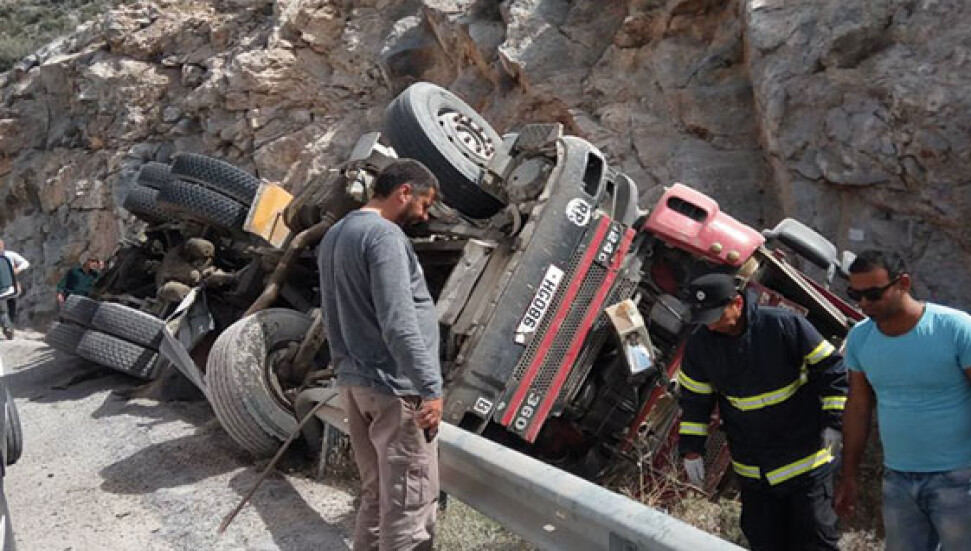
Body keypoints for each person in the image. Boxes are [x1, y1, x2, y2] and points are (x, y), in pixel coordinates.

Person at [318, 159, 443, 551]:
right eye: (425, 203)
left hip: (356, 385)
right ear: (403, 192)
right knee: (409, 506)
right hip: (395, 390)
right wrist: (430, 387)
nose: (425, 214)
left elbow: (332, 315)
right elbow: (398, 324)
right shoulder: (384, 236)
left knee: (377, 497)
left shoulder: (335, 235)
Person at [678, 273, 847, 550]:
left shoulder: (783, 325)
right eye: (705, 320)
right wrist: (692, 449)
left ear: (737, 303)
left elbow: (832, 371)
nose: (712, 326)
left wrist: (834, 422)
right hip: (755, 471)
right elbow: (695, 401)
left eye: (717, 317)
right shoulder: (700, 346)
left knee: (816, 539)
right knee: (765, 542)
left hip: (805, 462)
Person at [834, 250, 971, 551]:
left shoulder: (955, 329)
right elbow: (858, 408)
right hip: (898, 481)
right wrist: (849, 476)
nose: (864, 304)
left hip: (960, 480)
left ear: (903, 283)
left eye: (873, 294)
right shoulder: (860, 339)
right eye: (856, 295)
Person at [0, 240, 28, 340]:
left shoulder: (10, 255)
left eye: (0, 245)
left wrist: (18, 269)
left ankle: (9, 329)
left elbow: (25, 263)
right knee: (3, 310)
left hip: (12, 287)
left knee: (12, 309)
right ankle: (7, 327)